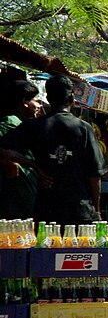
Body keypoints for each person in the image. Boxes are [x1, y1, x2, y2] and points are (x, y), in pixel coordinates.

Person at [19, 75, 106, 225]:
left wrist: (34, 166)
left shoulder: (33, 127)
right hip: (79, 210)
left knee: (48, 249)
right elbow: (95, 175)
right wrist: (96, 210)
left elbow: (5, 150)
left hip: (46, 210)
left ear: (48, 98)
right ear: (72, 99)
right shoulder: (84, 129)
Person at [0, 79, 41, 219]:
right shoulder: (10, 123)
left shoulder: (23, 123)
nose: (39, 106)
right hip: (15, 200)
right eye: (37, 101)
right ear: (25, 101)